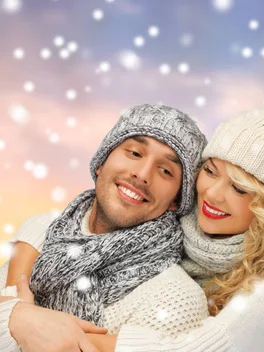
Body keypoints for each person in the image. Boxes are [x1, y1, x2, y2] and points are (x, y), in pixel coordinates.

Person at [2, 93, 264, 352]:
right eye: (211, 171)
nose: (212, 195)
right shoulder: (183, 223)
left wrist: (43, 328)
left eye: (240, 188)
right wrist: (20, 301)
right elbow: (57, 223)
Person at [0, 104, 208, 351]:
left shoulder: (175, 299)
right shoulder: (42, 233)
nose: (142, 174)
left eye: (165, 170)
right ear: (101, 162)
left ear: (176, 200)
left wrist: (16, 317)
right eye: (134, 153)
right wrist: (16, 317)